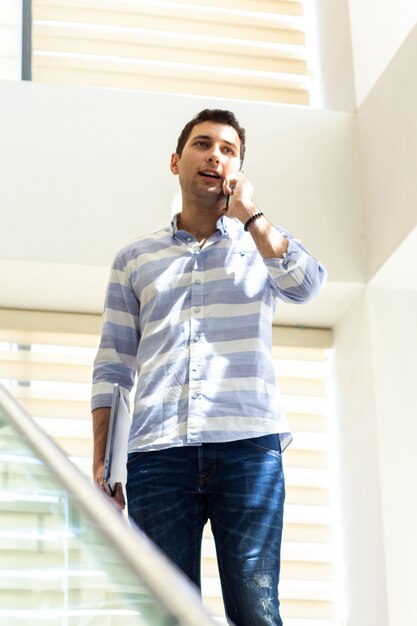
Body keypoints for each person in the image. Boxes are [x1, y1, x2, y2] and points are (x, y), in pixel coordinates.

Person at [92, 108, 327, 626]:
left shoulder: (261, 244)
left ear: (238, 171)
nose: (214, 156)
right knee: (168, 614)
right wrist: (105, 469)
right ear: (176, 161)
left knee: (257, 611)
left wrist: (253, 215)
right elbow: (113, 366)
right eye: (203, 145)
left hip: (249, 448)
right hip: (157, 455)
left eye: (228, 150)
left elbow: (307, 285)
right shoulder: (133, 258)